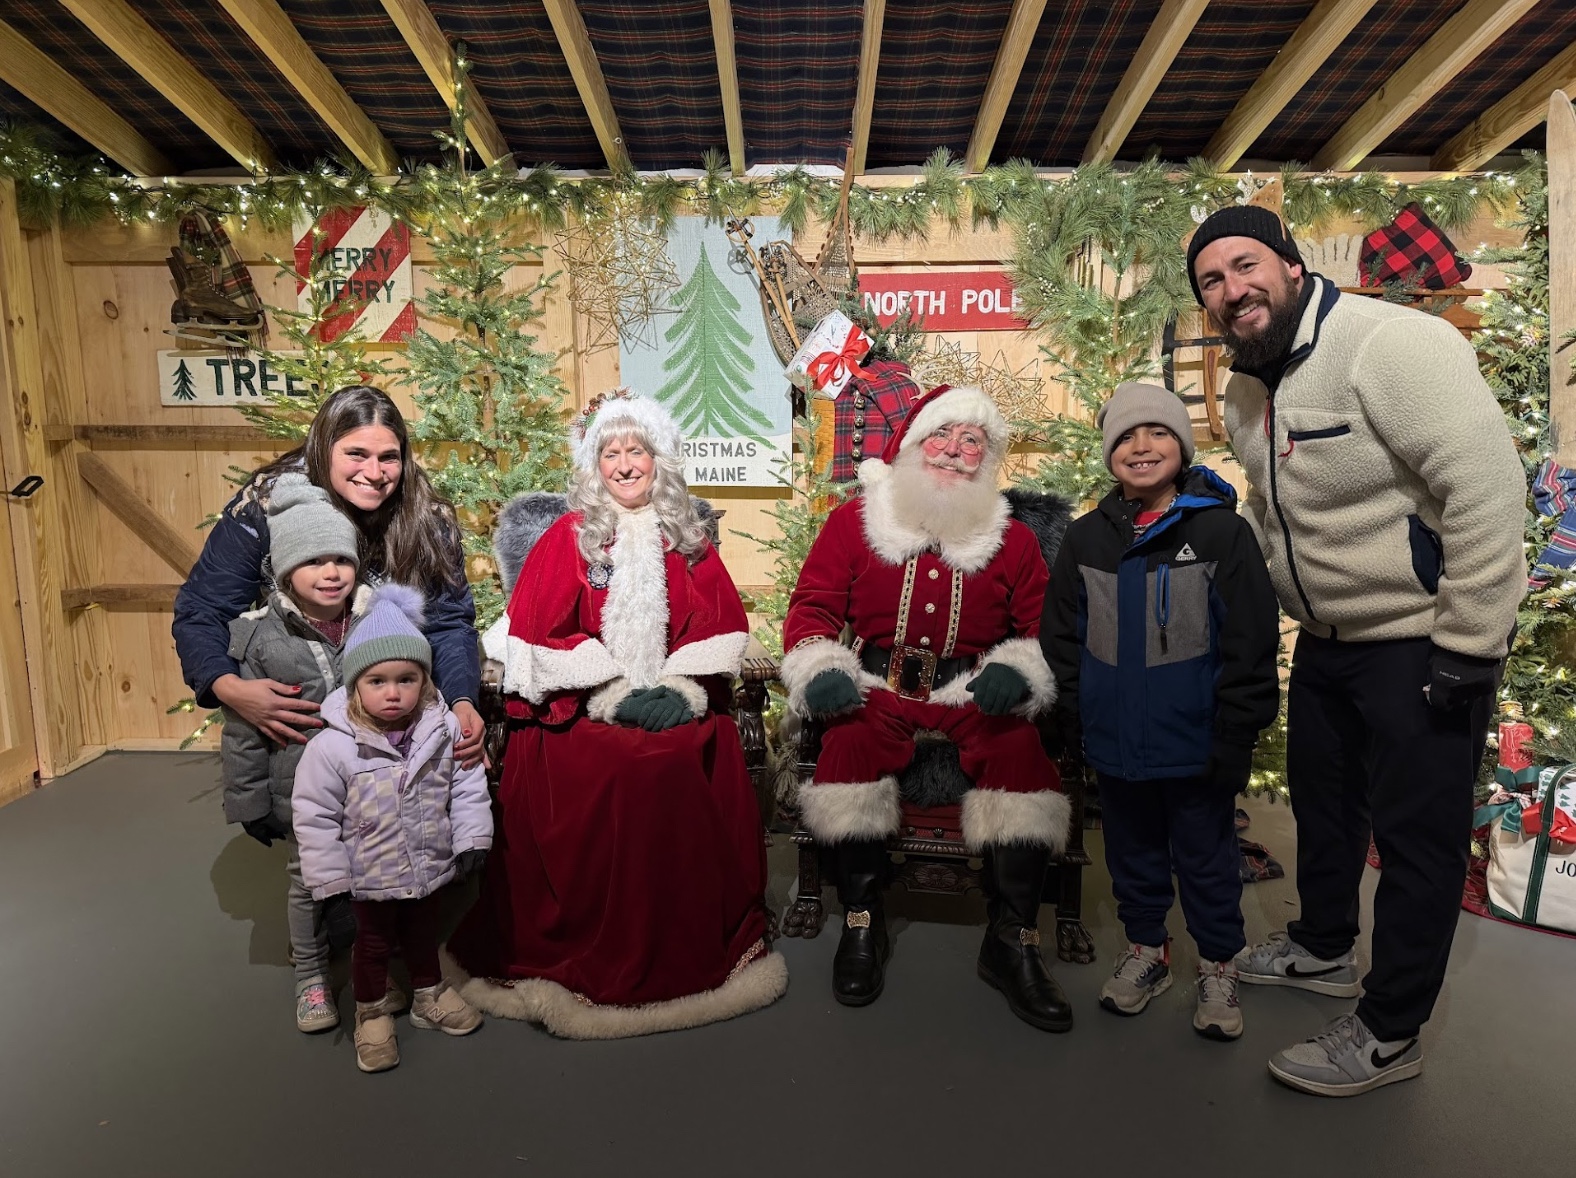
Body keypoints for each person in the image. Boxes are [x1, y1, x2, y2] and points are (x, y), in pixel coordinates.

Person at [1188, 206, 1526, 1094]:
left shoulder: (1390, 345)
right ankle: (1322, 946)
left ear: (1291, 265)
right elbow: (1273, 506)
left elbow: (1487, 487)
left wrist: (1470, 641)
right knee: (1325, 805)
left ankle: (1389, 1031)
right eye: (1212, 281)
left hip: (1421, 640)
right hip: (1330, 641)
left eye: (1245, 264)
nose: (1232, 289)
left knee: (1419, 841)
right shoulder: (1247, 383)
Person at [444, 391, 786, 1038]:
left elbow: (716, 626)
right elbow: (542, 635)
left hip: (672, 696)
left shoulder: (687, 539)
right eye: (612, 453)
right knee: (617, 767)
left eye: (638, 451)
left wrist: (682, 688)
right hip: (581, 706)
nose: (626, 464)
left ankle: (681, 944)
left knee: (679, 756)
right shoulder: (564, 539)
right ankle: (594, 943)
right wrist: (606, 688)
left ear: (659, 461)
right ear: (594, 465)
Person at [782, 384, 1072, 1031]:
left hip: (970, 692)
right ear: (913, 445)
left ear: (986, 460)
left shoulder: (1013, 541)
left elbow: (1044, 630)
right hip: (879, 686)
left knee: (1021, 756)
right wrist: (821, 665)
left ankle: (1012, 940)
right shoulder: (855, 522)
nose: (954, 451)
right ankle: (861, 919)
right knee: (848, 747)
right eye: (942, 436)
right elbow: (813, 608)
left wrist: (1019, 670)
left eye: (973, 442)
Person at [1041, 382, 1280, 1041]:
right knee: (1133, 852)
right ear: (1108, 454)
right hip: (1115, 743)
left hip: (1197, 745)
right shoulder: (1087, 539)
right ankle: (1148, 949)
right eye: (1124, 437)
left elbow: (1251, 642)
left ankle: (1218, 963)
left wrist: (1236, 732)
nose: (1140, 447)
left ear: (1183, 444)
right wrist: (1073, 716)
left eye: (1156, 433)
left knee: (1206, 857)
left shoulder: (1220, 534)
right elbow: (1061, 636)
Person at [173, 385, 484, 767]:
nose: (374, 473)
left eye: (389, 457)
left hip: (395, 722)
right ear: (324, 449)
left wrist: (462, 700)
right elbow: (203, 608)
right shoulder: (267, 505)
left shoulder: (426, 518)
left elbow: (449, 622)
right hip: (299, 725)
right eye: (356, 454)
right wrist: (229, 687)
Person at [292, 584, 493, 1074]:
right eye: (377, 681)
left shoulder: (441, 730)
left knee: (424, 936)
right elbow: (314, 817)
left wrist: (471, 839)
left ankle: (428, 994)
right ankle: (372, 1010)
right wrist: (331, 885)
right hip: (368, 877)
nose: (393, 692)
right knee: (372, 947)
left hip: (428, 864)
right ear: (355, 685)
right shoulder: (333, 747)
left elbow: (465, 786)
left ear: (423, 681)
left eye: (406, 679)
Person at [221, 473, 381, 1034]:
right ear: (287, 570)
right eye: (314, 562)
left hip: (371, 788)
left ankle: (375, 965)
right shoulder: (261, 640)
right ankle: (311, 977)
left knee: (370, 876)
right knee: (307, 882)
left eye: (340, 558)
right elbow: (243, 732)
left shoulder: (373, 622)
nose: (331, 572)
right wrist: (249, 801)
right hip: (301, 792)